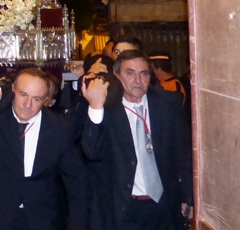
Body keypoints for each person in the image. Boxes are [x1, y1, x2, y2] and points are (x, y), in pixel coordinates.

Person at [0, 68, 88, 230]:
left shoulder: (60, 128)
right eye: (23, 95)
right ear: (13, 90)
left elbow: (76, 181)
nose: (27, 105)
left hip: (43, 218)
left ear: (46, 100)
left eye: (36, 99)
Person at [82, 50, 192, 230]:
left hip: (164, 206)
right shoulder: (107, 109)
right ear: (117, 75)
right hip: (124, 208)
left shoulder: (167, 103)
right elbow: (91, 152)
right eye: (130, 73)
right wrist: (95, 108)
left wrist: (188, 196)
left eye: (144, 73)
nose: (138, 80)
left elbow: (183, 153)